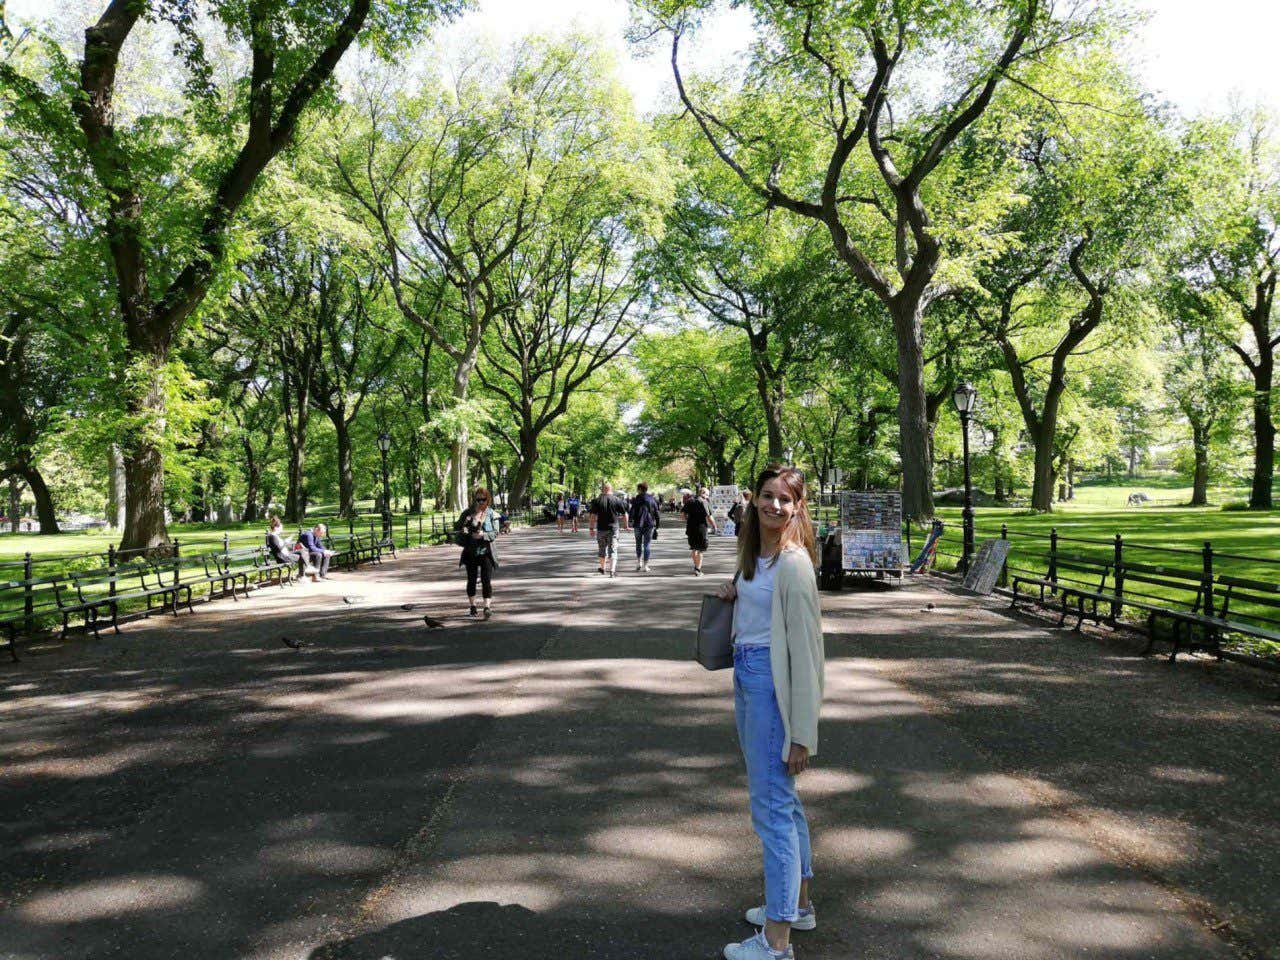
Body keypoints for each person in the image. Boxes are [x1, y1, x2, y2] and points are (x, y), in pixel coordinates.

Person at [715, 465, 824, 960]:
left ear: (798, 507)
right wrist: (734, 594)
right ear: (753, 499)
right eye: (767, 496)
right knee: (786, 801)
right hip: (747, 673)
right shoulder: (755, 557)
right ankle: (796, 906)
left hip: (770, 687)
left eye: (785, 499)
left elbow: (807, 654)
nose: (774, 506)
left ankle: (776, 942)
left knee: (772, 810)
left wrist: (801, 733)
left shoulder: (794, 564)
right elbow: (758, 604)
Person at [454, 487, 499, 619]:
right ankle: (473, 607)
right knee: (471, 580)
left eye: (483, 499)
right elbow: (457, 527)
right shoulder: (468, 512)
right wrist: (465, 525)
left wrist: (483, 535)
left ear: (488, 499)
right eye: (478, 499)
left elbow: (495, 533)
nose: (480, 502)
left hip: (486, 552)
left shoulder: (492, 514)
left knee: (486, 580)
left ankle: (487, 607)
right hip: (470, 551)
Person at [587, 481, 630, 578]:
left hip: (601, 529)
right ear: (611, 489)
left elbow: (593, 516)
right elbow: (625, 514)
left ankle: (602, 568)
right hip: (613, 528)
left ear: (603, 489)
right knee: (613, 549)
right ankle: (612, 571)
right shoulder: (617, 500)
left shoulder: (597, 501)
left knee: (602, 549)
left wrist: (591, 528)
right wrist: (625, 525)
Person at [681, 486, 717, 576]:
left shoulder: (689, 501)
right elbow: (709, 516)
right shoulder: (704, 502)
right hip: (701, 528)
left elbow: (682, 515)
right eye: (707, 495)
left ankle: (696, 566)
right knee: (700, 550)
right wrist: (714, 526)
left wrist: (688, 519)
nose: (708, 497)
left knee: (694, 548)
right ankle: (698, 569)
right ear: (703, 493)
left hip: (690, 528)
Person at [266, 515, 315, 581]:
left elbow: (281, 546)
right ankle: (302, 575)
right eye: (281, 528)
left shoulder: (276, 536)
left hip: (287, 554)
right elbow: (278, 549)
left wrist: (287, 540)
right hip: (283, 558)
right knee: (302, 557)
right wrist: (286, 541)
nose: (282, 530)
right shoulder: (272, 537)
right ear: (276, 528)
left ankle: (305, 570)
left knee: (303, 551)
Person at [628, 481, 661, 572]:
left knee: (638, 544)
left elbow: (632, 511)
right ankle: (646, 565)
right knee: (647, 545)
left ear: (640, 489)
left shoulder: (636, 500)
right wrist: (657, 524)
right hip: (649, 524)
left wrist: (630, 521)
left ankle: (639, 563)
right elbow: (656, 512)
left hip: (638, 524)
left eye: (637, 489)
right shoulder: (652, 500)